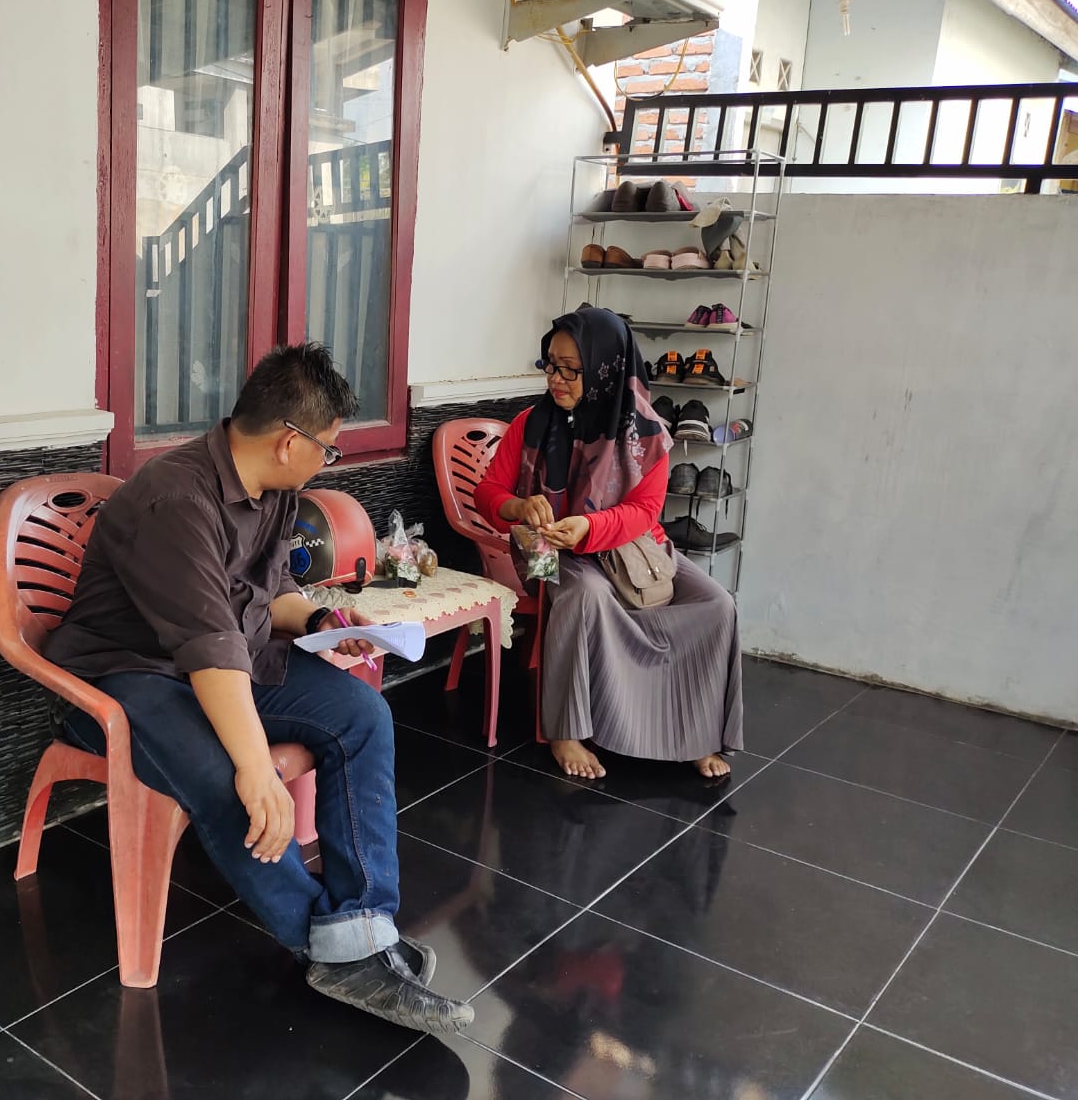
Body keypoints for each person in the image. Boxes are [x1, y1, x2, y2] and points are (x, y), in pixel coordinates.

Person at [44, 342, 474, 1034]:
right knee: (227, 781)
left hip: (222, 666)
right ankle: (336, 953)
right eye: (327, 449)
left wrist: (325, 620)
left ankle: (362, 925)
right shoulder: (174, 499)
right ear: (288, 441)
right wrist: (254, 767)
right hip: (128, 677)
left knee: (361, 714)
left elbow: (269, 595)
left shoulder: (273, 492)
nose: (327, 461)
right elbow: (208, 647)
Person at [473, 306, 742, 780]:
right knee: (586, 594)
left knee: (718, 605)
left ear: (606, 369)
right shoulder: (531, 424)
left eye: (570, 370)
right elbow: (488, 492)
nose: (555, 380)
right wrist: (519, 506)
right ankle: (566, 732)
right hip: (555, 549)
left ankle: (695, 733)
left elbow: (644, 513)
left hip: (633, 547)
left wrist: (589, 526)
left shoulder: (647, 437)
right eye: (549, 365)